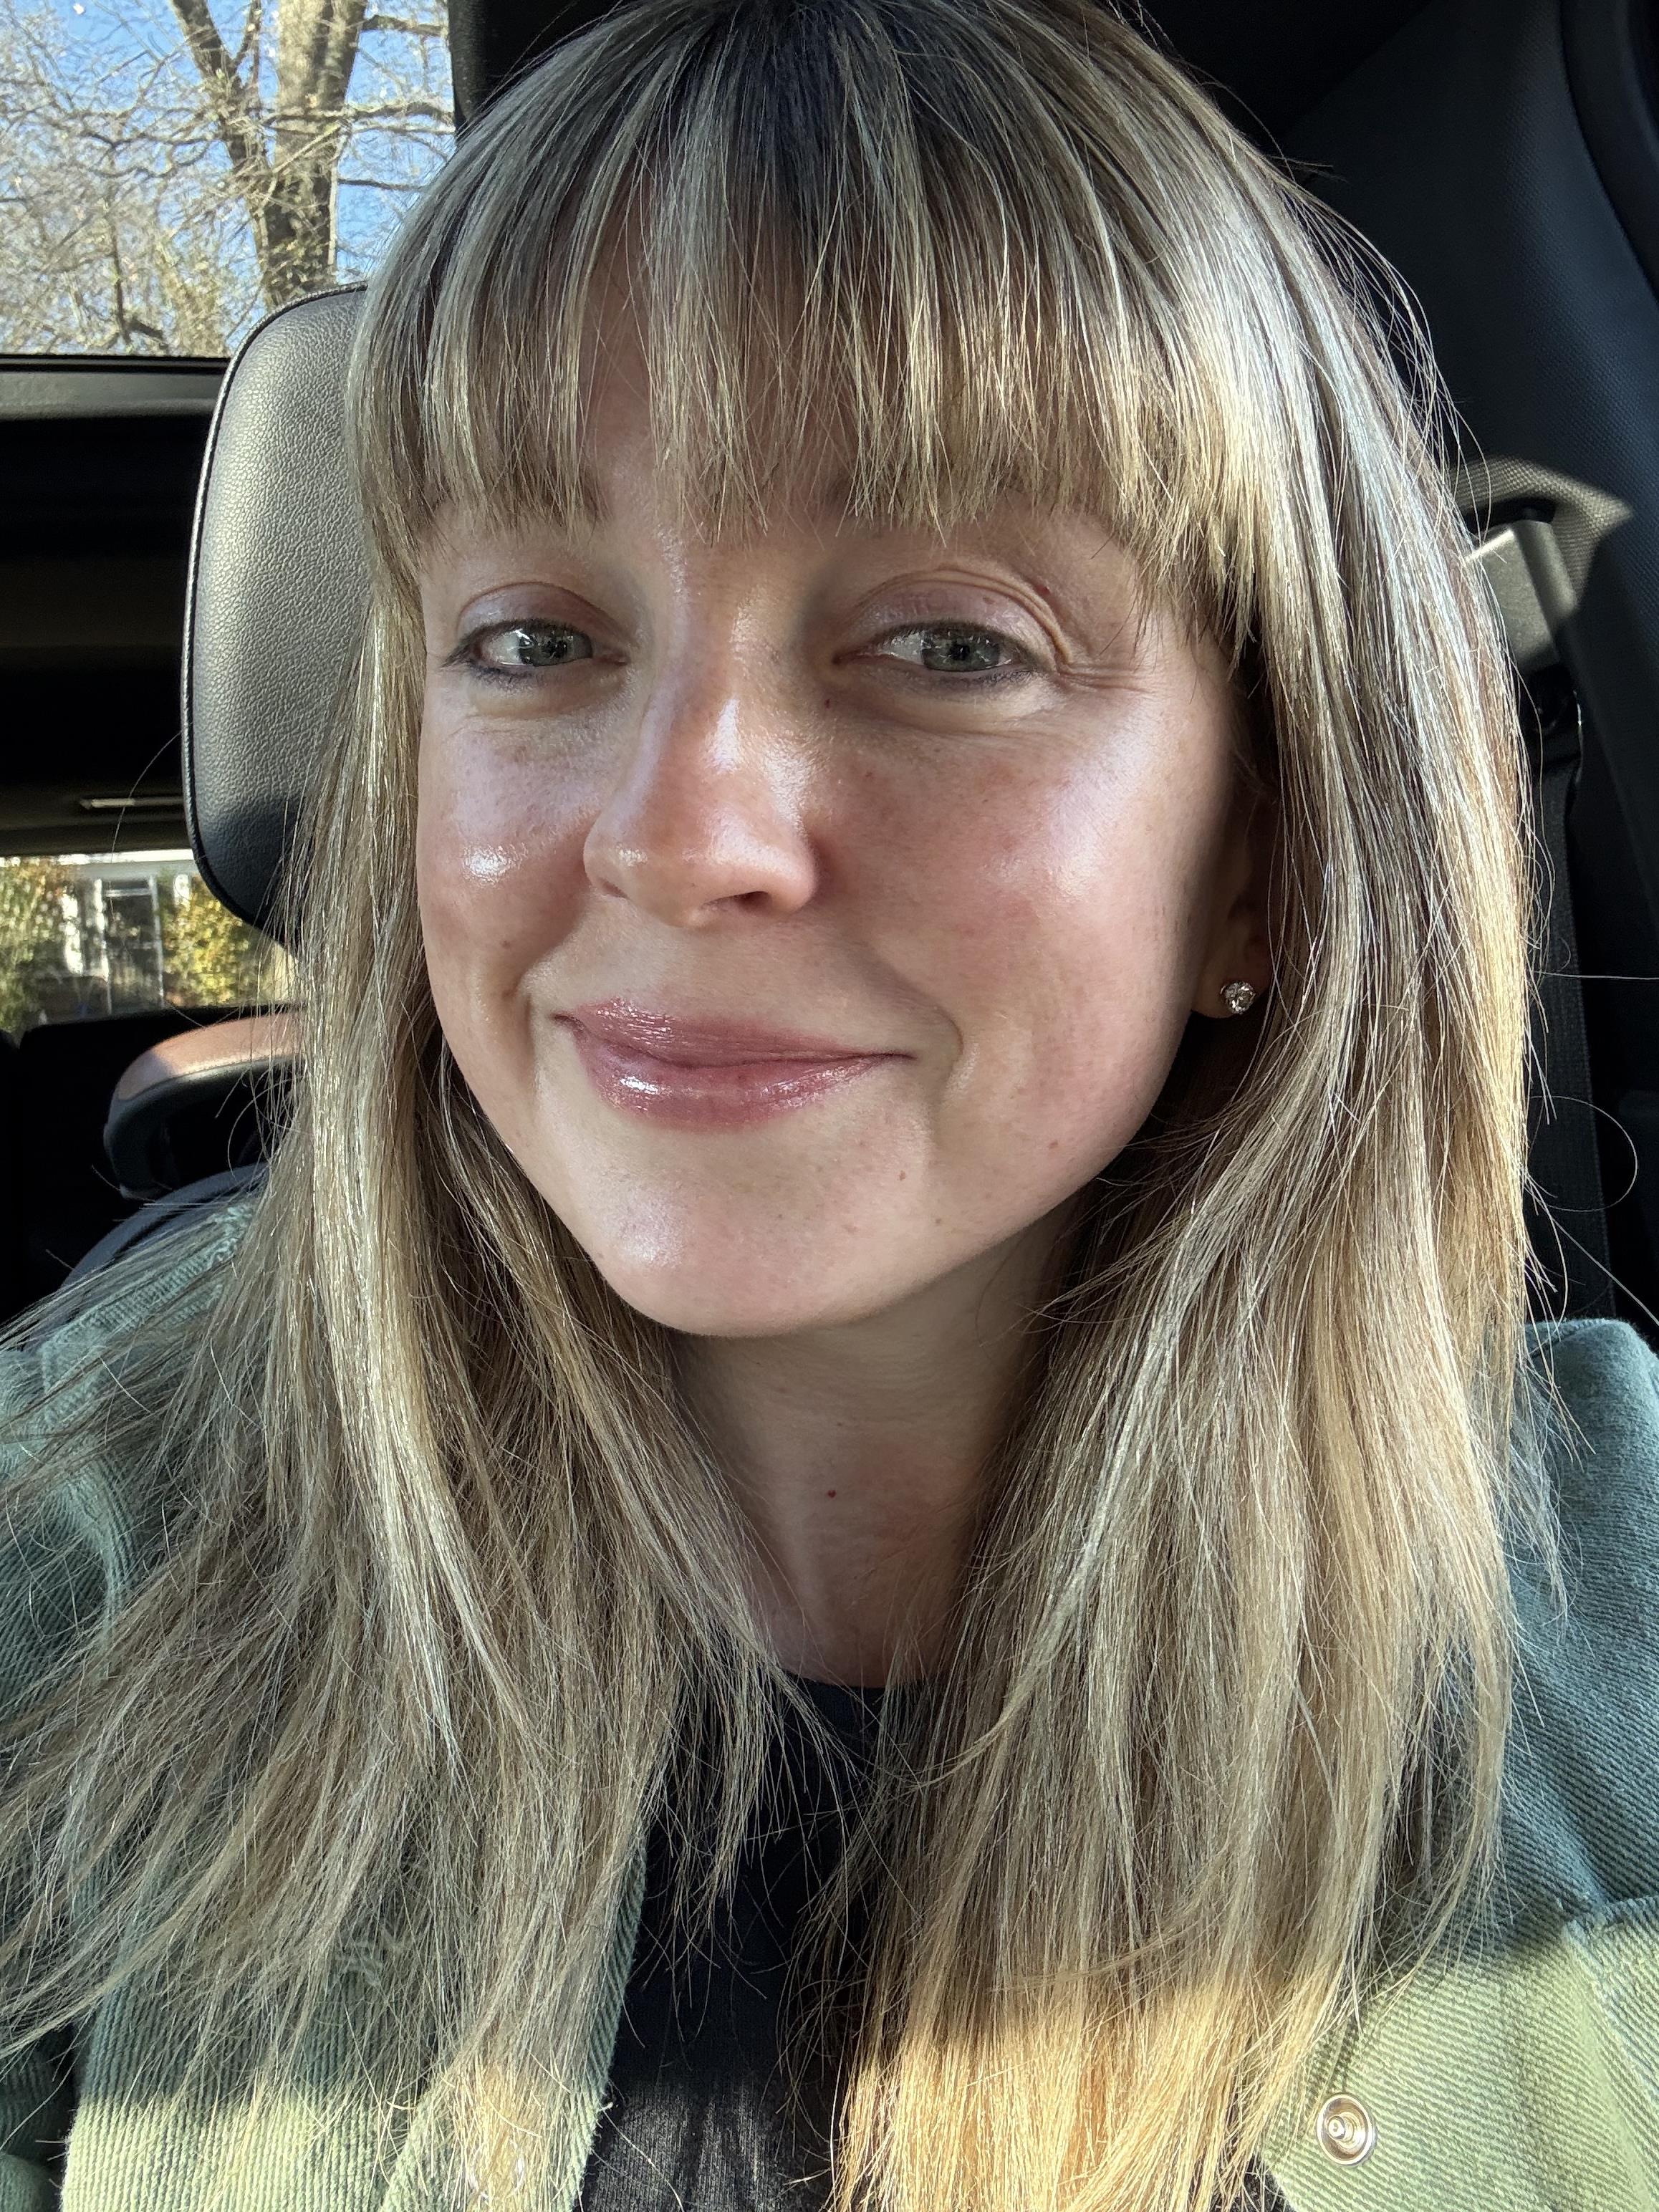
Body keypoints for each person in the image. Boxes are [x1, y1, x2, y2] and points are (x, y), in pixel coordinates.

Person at [2, 2, 1656, 2208]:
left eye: (951, 645)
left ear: (1263, 851)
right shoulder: (78, 1552)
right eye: (536, 640)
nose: (677, 838)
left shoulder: (1616, 1607)